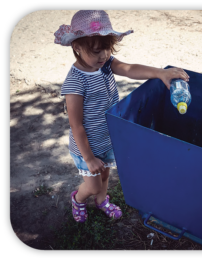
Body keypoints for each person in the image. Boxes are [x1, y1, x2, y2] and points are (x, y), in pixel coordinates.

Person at [54, 10, 189, 223]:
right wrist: (88, 158)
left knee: (106, 175)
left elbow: (128, 69)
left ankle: (101, 202)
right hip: (87, 147)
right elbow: (76, 125)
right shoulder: (75, 82)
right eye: (96, 51)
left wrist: (160, 73)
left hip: (108, 138)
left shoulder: (105, 64)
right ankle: (79, 199)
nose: (103, 55)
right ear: (77, 47)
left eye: (107, 49)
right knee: (93, 184)